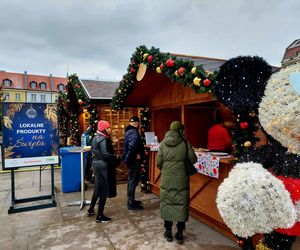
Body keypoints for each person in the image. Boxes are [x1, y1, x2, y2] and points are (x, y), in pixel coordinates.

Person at [156, 121, 197, 244]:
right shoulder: (185, 143)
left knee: (167, 202)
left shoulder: (163, 143)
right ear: (181, 130)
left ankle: (168, 232)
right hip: (181, 179)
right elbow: (193, 159)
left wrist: (167, 170)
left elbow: (158, 162)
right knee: (181, 203)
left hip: (167, 179)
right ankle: (179, 233)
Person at [87, 120, 120, 222]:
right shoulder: (104, 139)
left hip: (97, 165)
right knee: (104, 190)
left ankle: (91, 209)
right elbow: (105, 154)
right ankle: (100, 216)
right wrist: (116, 157)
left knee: (98, 188)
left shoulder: (95, 138)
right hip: (104, 167)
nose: (110, 129)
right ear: (104, 129)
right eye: (108, 128)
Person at [122, 116, 145, 210]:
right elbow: (132, 147)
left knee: (131, 180)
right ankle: (131, 203)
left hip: (132, 160)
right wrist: (133, 157)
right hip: (134, 161)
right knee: (133, 181)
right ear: (137, 123)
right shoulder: (134, 132)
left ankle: (131, 200)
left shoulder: (129, 131)